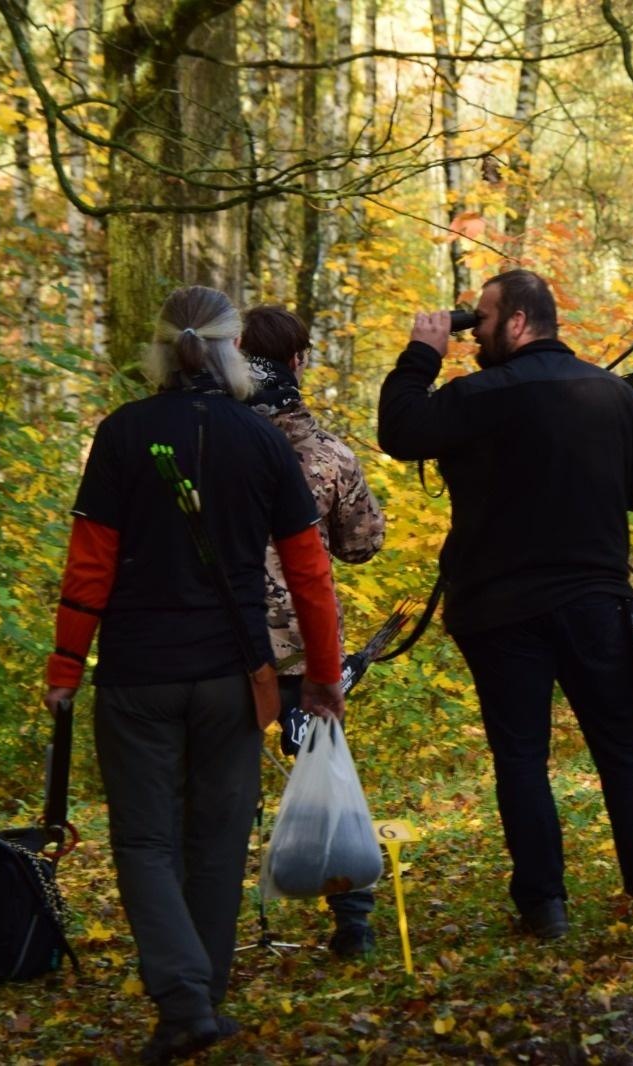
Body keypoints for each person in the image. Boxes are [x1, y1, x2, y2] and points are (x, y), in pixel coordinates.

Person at [43, 286, 344, 1063]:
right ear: (233, 347)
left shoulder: (123, 434)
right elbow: (311, 575)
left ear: (161, 347)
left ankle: (183, 1003)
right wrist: (321, 676)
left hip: (138, 675)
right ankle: (201, 998)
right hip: (234, 676)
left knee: (145, 841)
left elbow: (90, 566)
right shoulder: (263, 440)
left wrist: (66, 665)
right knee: (215, 841)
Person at [376, 269, 633, 938]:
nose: (474, 335)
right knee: (624, 745)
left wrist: (422, 352)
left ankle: (544, 906)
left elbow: (400, 429)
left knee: (521, 755)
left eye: (482, 322)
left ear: (517, 320)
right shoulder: (612, 396)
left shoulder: (475, 396)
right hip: (593, 603)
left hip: (497, 608)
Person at [241, 305, 386, 958]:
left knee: (221, 785)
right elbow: (363, 543)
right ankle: (351, 916)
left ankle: (205, 926)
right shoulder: (327, 454)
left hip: (231, 649)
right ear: (298, 362)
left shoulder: (216, 448)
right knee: (326, 778)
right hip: (307, 650)